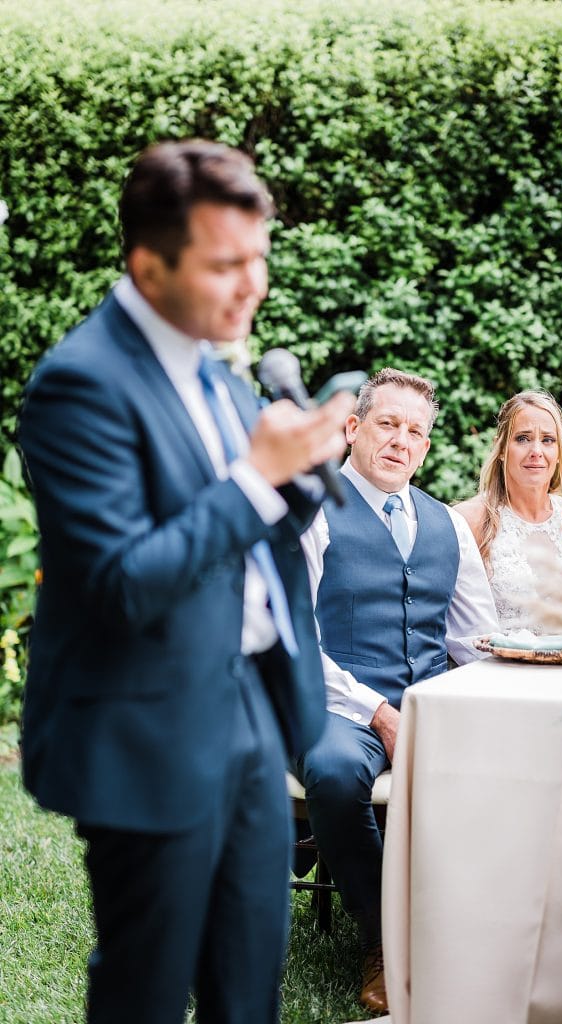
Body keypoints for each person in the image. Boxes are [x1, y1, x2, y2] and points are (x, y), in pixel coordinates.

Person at [18, 139, 355, 1024]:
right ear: (148, 263)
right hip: (147, 723)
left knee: (250, 986)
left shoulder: (213, 363)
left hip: (249, 706)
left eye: (260, 257)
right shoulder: (79, 385)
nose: (253, 284)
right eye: (225, 264)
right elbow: (122, 585)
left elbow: (251, 536)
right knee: (148, 988)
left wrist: (303, 477)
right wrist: (254, 480)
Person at [298, 368, 498, 1013]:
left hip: (433, 701)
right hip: (339, 704)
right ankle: (387, 936)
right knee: (331, 771)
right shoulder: (311, 512)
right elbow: (292, 638)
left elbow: (476, 640)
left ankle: (482, 923)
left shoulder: (450, 526)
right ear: (353, 429)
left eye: (416, 432)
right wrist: (377, 710)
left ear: (427, 446)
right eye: (388, 424)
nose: (400, 441)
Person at [457, 389, 562, 632]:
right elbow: (457, 624)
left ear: (559, 452)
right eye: (522, 438)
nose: (536, 451)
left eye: (548, 440)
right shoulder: (470, 519)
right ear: (500, 449)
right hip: (494, 666)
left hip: (561, 665)